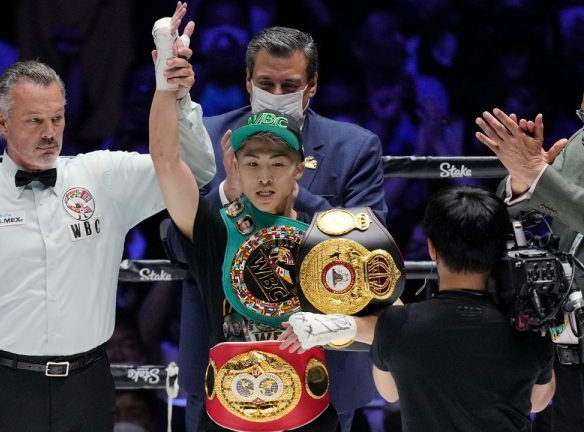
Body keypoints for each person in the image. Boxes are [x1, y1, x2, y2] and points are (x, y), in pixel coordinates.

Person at [0, 5, 215, 430]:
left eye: (57, 118)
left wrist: (178, 95)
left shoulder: (103, 176)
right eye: (34, 120)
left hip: (88, 383)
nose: (49, 132)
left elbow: (194, 171)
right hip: (3, 384)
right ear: (1, 121)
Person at [170, 25, 387, 432]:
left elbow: (369, 249)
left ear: (312, 85)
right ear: (248, 81)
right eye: (266, 82)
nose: (276, 91)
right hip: (220, 358)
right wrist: (224, 192)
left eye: (290, 84)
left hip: (323, 363)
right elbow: (176, 245)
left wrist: (284, 185)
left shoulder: (353, 147)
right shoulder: (212, 137)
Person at [151, 54, 338, 430]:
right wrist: (164, 85)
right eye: (252, 163)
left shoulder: (326, 236)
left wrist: (330, 326)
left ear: (299, 168)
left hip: (308, 416)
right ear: (234, 165)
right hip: (226, 418)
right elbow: (166, 161)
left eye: (277, 164)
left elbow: (378, 312)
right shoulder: (215, 230)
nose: (264, 178)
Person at [280, 185, 556, 431]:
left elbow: (389, 393)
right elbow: (539, 401)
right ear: (499, 248)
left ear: (431, 248)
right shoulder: (529, 325)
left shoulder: (398, 325)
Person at [476, 106, 583, 432]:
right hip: (566, 327)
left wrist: (538, 173)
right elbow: (529, 207)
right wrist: (524, 181)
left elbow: (552, 188)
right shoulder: (580, 142)